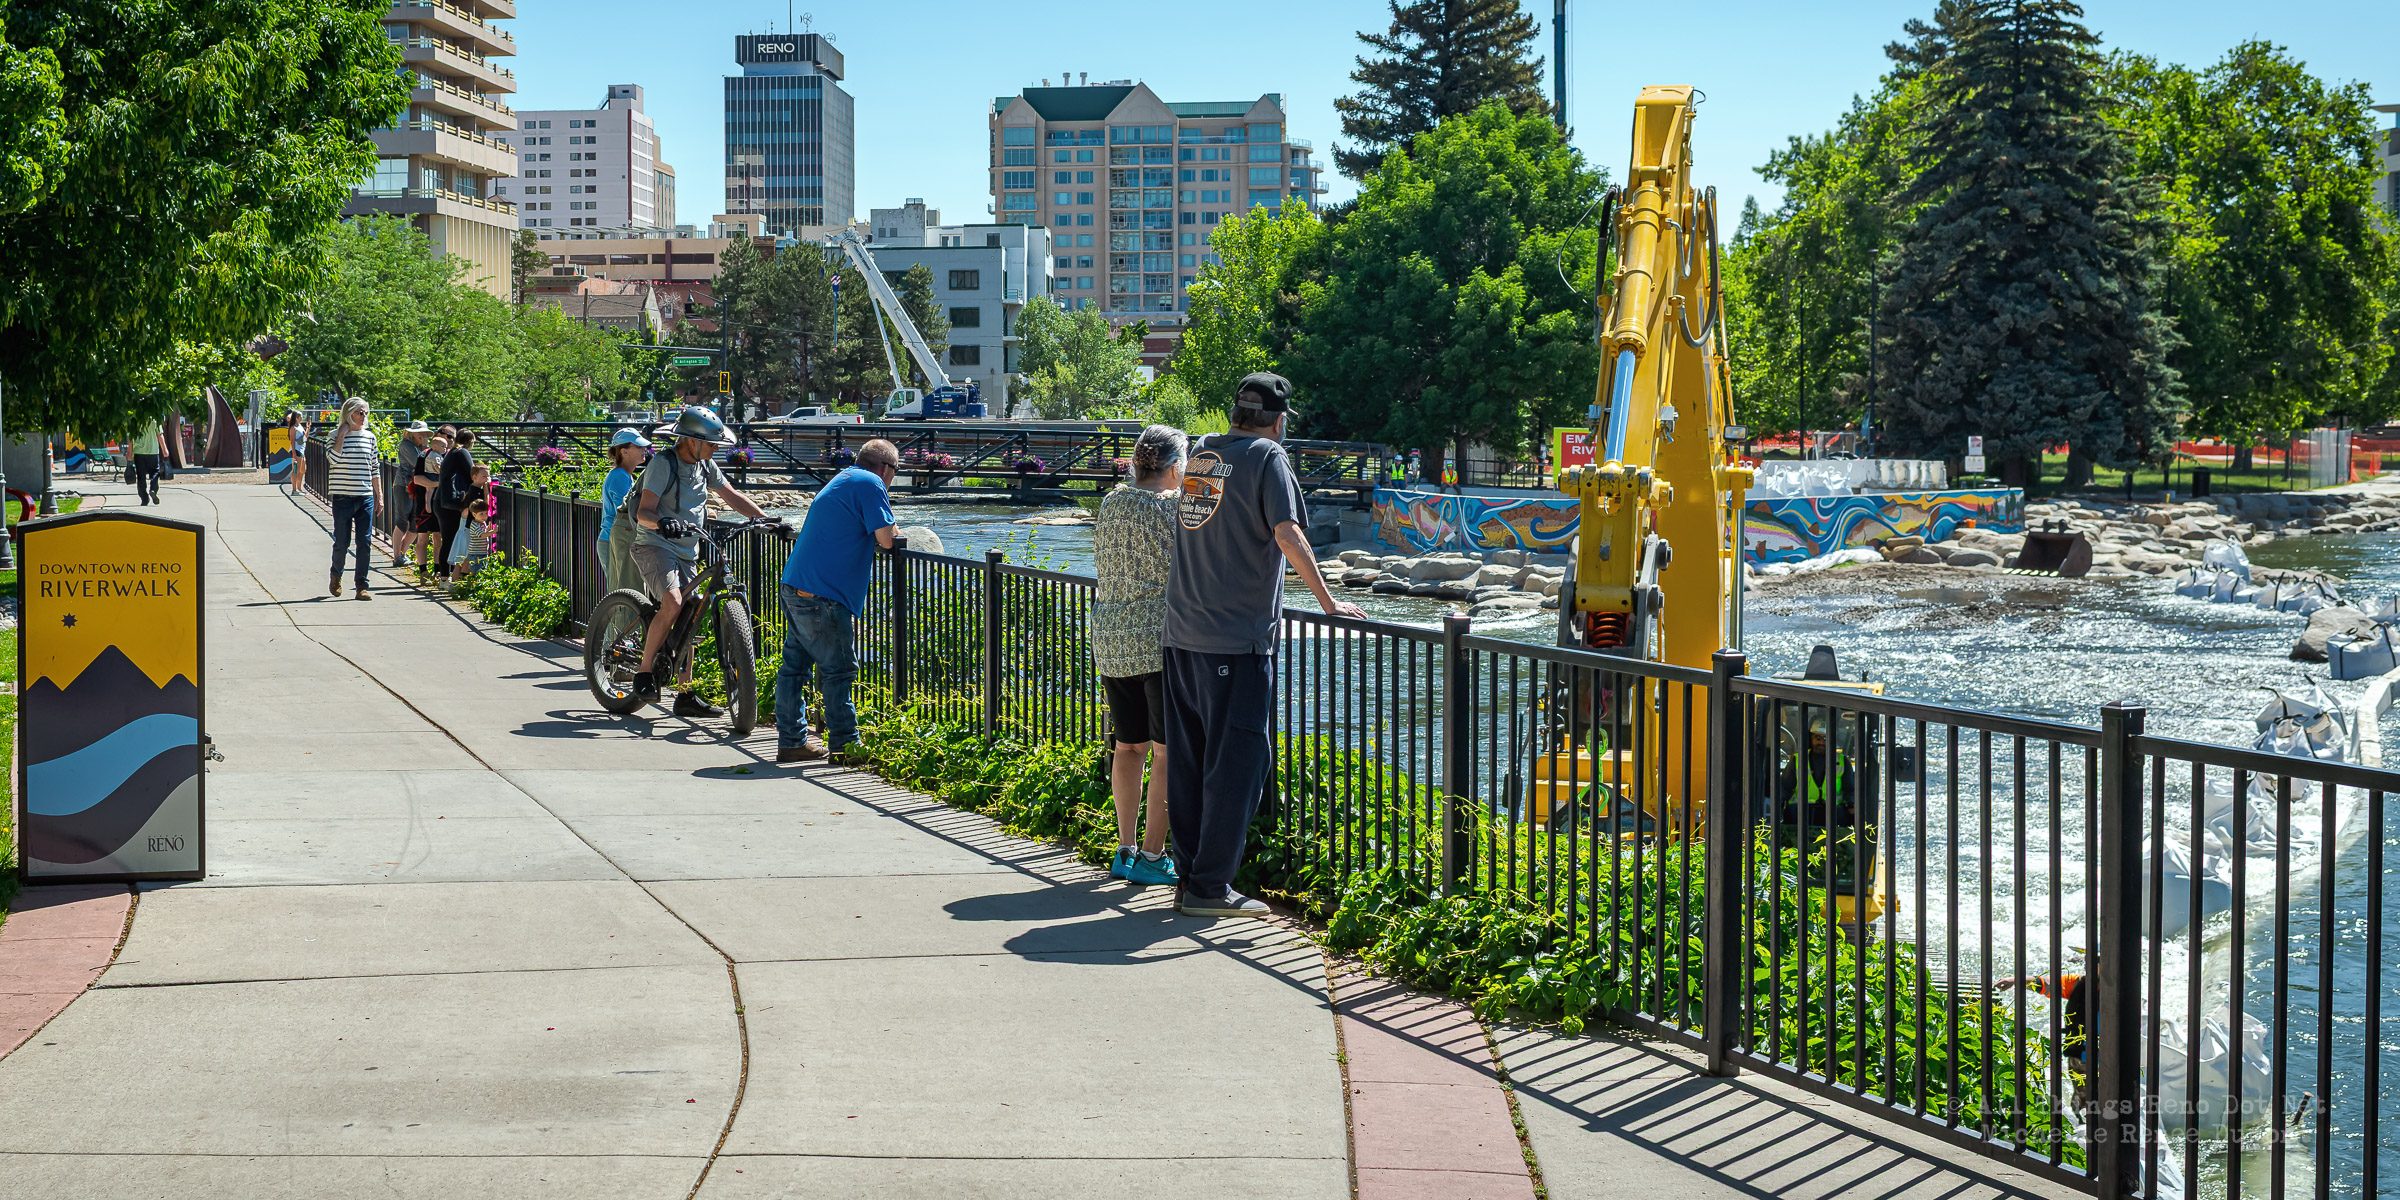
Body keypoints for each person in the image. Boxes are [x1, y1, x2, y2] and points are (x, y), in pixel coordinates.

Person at [1161, 373, 1364, 918]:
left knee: (1189, 763)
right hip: (1235, 640)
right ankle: (1210, 889)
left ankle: (1189, 878)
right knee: (1238, 766)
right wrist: (1328, 602)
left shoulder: (1204, 454)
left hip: (1181, 636)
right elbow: (1288, 534)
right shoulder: (1268, 458)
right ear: (1277, 422)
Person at [1092, 425, 1186, 886]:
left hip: (1112, 637)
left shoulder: (1112, 502)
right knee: (1167, 754)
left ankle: (1125, 849)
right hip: (1158, 639)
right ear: (1175, 468)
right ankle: (1153, 856)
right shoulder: (1173, 509)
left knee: (1128, 746)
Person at [632, 406, 772, 715]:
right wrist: (662, 523)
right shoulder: (663, 464)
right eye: (711, 444)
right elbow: (644, 512)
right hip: (655, 544)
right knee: (673, 602)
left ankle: (685, 694)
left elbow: (731, 496)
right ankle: (643, 672)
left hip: (687, 551)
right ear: (692, 441)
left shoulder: (705, 465)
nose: (716, 449)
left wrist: (768, 521)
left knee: (692, 615)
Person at [773, 438, 898, 764]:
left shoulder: (845, 478)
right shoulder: (871, 484)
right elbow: (887, 539)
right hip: (824, 596)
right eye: (895, 472)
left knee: (794, 669)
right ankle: (845, 747)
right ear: (886, 469)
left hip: (796, 584)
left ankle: (791, 742)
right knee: (838, 670)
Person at [323, 398, 380, 600]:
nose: (364, 416)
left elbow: (375, 467)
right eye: (360, 412)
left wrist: (379, 495)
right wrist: (341, 436)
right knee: (342, 541)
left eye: (365, 412)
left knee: (364, 542)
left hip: (364, 496)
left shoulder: (370, 437)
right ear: (349, 413)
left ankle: (361, 586)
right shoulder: (334, 435)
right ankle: (336, 575)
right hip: (342, 497)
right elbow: (333, 460)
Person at [599, 427, 652, 594]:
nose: (644, 450)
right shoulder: (620, 477)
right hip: (614, 540)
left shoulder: (622, 475)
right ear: (624, 452)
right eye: (639, 447)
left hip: (612, 539)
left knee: (619, 593)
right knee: (622, 594)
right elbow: (626, 510)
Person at [433, 428, 479, 582]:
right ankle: (451, 577)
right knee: (451, 541)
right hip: (452, 503)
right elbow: (471, 474)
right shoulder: (462, 452)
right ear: (470, 441)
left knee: (447, 540)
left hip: (442, 501)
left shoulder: (452, 452)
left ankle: (444, 578)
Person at [391, 421, 432, 567]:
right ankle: (397, 556)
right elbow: (421, 464)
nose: (423, 436)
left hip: (416, 487)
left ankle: (402, 554)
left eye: (425, 434)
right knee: (402, 520)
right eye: (420, 433)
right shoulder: (406, 445)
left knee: (416, 522)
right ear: (412, 434)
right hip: (403, 486)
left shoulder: (420, 447)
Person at [409, 432, 451, 577]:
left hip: (441, 503)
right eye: (446, 437)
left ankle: (438, 570)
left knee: (438, 536)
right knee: (423, 536)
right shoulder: (424, 455)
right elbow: (417, 479)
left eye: (451, 438)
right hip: (423, 502)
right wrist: (438, 483)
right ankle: (423, 570)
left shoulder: (449, 455)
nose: (448, 441)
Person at [452, 465, 496, 583]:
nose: (487, 479)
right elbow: (486, 506)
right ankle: (461, 579)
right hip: (471, 528)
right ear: (475, 477)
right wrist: (486, 488)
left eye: (488, 476)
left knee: (467, 555)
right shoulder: (475, 491)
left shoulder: (474, 489)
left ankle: (459, 580)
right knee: (468, 555)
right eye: (484, 476)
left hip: (468, 527)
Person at [129, 418, 164, 505]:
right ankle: (153, 489)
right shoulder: (155, 419)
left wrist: (130, 452)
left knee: (141, 476)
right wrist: (164, 449)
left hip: (138, 452)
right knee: (155, 472)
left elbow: (130, 437)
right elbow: (159, 435)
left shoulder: (134, 419)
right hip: (152, 451)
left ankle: (144, 498)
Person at [284, 411, 310, 494]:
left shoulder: (300, 426)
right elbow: (292, 441)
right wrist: (294, 453)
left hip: (301, 449)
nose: (301, 418)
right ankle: (294, 490)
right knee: (296, 470)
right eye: (300, 417)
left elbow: (305, 437)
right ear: (296, 418)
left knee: (302, 470)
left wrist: (308, 427)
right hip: (296, 450)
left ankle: (299, 488)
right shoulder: (293, 428)